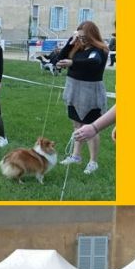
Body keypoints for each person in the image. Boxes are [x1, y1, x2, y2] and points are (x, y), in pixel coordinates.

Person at [53, 20, 109, 175]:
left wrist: (72, 62)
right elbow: (60, 58)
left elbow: (93, 62)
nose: (82, 40)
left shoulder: (99, 50)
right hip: (74, 90)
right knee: (77, 125)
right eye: (80, 37)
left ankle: (93, 162)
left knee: (91, 128)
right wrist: (70, 43)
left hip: (90, 93)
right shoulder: (78, 48)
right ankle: (76, 156)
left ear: (92, 35)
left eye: (84, 37)